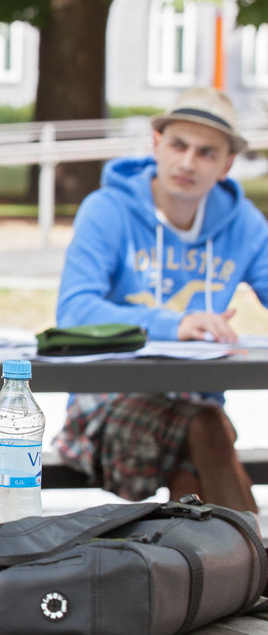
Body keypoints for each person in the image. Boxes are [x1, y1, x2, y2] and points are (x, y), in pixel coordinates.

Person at [55, 87, 268, 514]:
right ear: (156, 144)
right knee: (207, 431)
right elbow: (74, 313)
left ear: (227, 164)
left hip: (196, 405)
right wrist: (176, 324)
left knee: (197, 458)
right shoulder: (107, 209)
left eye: (206, 153)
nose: (188, 162)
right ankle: (253, 565)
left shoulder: (244, 224)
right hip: (109, 402)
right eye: (178, 145)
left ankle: (224, 571)